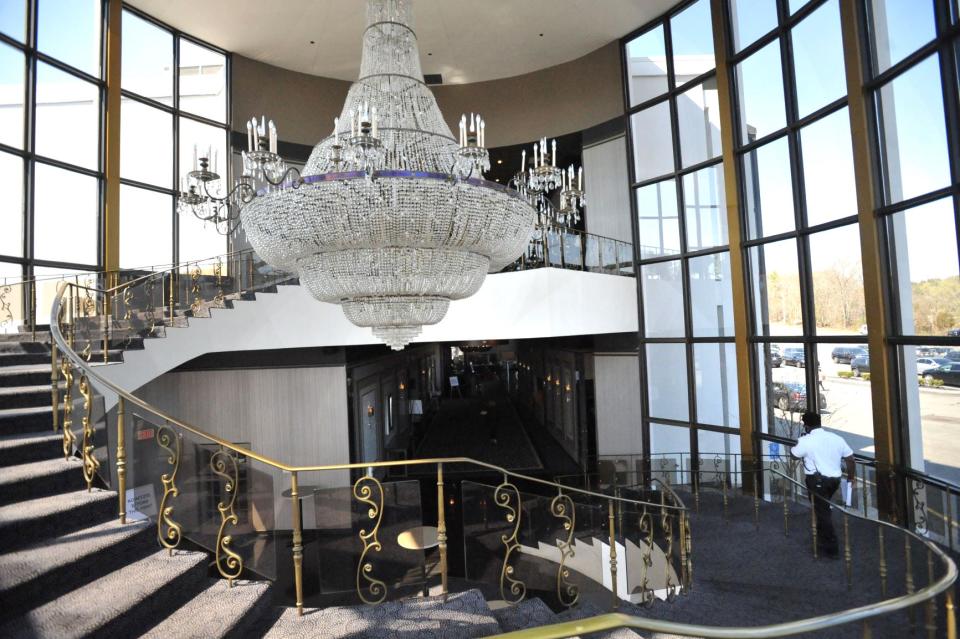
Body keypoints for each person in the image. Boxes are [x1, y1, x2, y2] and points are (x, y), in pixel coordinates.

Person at [790, 411, 855, 558]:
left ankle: (831, 548)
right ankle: (821, 539)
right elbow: (850, 459)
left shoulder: (806, 441)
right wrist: (851, 478)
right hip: (835, 481)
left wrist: (799, 442)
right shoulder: (836, 438)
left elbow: (794, 456)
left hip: (817, 481)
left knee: (823, 512)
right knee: (822, 509)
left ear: (806, 426)